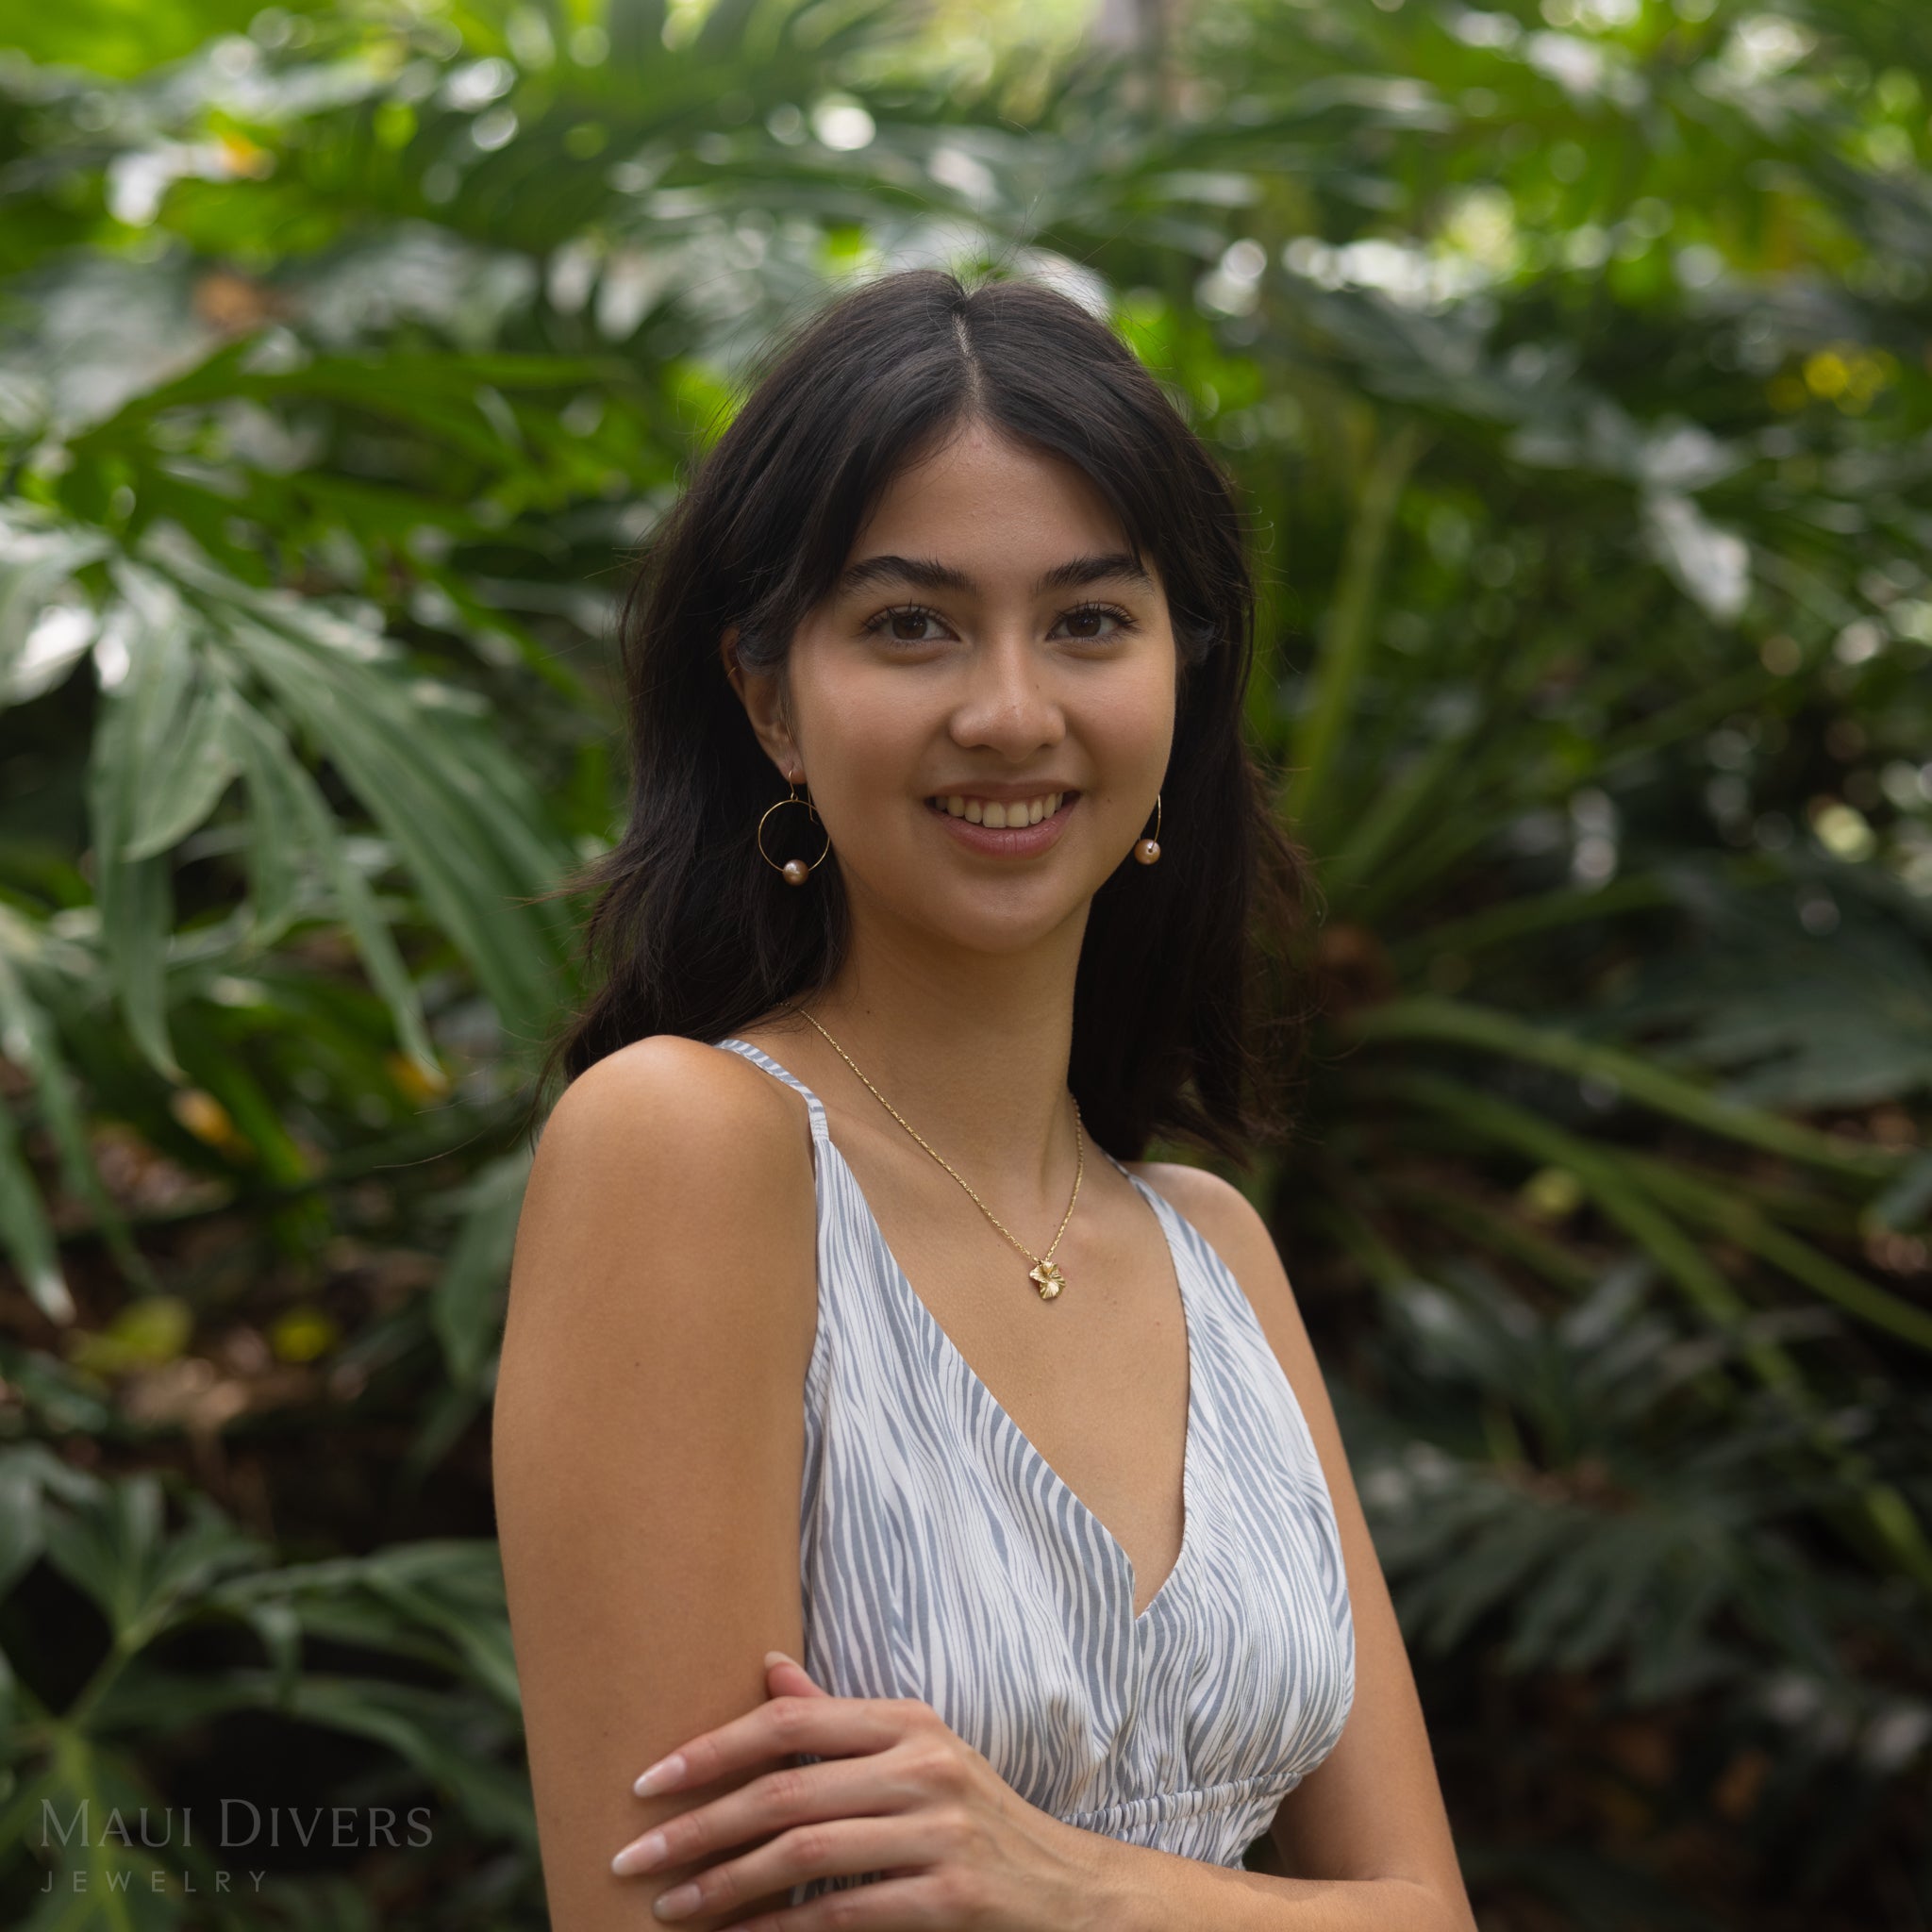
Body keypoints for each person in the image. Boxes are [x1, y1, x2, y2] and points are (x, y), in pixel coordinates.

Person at [492, 267, 1475, 1932]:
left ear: (1182, 676)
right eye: (911, 624)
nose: (1011, 712)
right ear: (766, 697)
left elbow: (1433, 1914)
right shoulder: (687, 1150)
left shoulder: (1214, 1251)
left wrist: (1067, 1886)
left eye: (1091, 620)